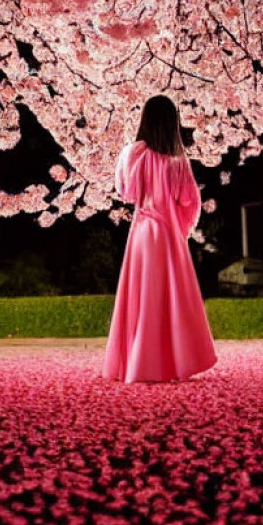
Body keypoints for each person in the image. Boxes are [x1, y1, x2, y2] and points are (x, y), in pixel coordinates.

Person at [103, 95, 217, 383]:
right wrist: (180, 230)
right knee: (168, 301)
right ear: (172, 123)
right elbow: (191, 202)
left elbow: (124, 192)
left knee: (139, 299)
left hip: (140, 233)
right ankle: (167, 362)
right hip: (166, 235)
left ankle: (133, 363)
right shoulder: (177, 164)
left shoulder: (133, 155)